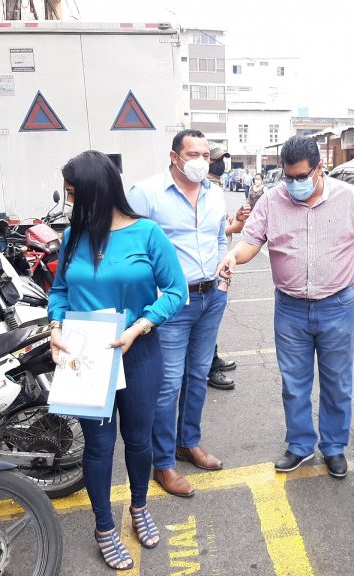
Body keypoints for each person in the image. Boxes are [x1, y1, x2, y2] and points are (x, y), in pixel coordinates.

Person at [48, 150, 187, 570]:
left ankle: (139, 507)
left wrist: (139, 327)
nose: (70, 202)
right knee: (98, 446)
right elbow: (58, 292)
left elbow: (176, 291)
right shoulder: (73, 237)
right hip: (88, 356)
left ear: (98, 189)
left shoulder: (147, 234)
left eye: (75, 193)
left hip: (138, 350)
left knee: (140, 439)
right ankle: (105, 526)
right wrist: (55, 326)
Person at [216, 135, 354, 479]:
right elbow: (251, 241)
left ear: (319, 169)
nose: (293, 184)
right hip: (290, 308)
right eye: (288, 177)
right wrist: (234, 256)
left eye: (301, 177)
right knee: (294, 383)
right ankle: (300, 444)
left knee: (338, 383)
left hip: (336, 305)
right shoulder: (273, 200)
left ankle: (334, 447)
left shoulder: (349, 198)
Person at [127, 129, 228, 498]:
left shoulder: (215, 193)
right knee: (168, 384)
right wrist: (152, 295)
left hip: (210, 296)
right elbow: (130, 244)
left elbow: (220, 237)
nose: (202, 160)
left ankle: (189, 442)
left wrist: (222, 275)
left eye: (206, 154)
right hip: (172, 302)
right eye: (193, 153)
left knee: (198, 375)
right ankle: (163, 462)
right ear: (174, 157)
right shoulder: (147, 193)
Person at [207, 142, 247, 391]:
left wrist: (236, 220)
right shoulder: (203, 187)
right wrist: (233, 227)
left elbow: (223, 224)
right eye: (217, 159)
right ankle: (209, 368)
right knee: (206, 320)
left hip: (221, 263)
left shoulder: (216, 186)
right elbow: (206, 231)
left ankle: (213, 358)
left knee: (211, 319)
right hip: (208, 267)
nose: (222, 164)